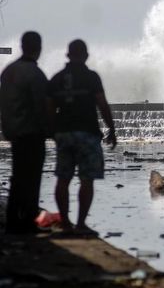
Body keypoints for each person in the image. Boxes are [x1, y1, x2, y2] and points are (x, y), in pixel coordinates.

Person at [47, 39, 116, 235]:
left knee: (63, 178)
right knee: (87, 180)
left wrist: (53, 132)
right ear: (86, 55)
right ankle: (81, 224)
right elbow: (102, 104)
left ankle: (66, 224)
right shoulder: (91, 77)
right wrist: (112, 129)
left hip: (64, 135)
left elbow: (49, 109)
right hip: (87, 133)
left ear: (68, 55)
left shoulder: (57, 78)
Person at [0, 31, 48, 234]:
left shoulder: (8, 71)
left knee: (18, 175)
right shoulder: (34, 74)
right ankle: (28, 219)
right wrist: (49, 129)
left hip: (13, 130)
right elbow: (41, 106)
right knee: (32, 178)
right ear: (38, 48)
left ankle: (12, 218)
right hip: (31, 133)